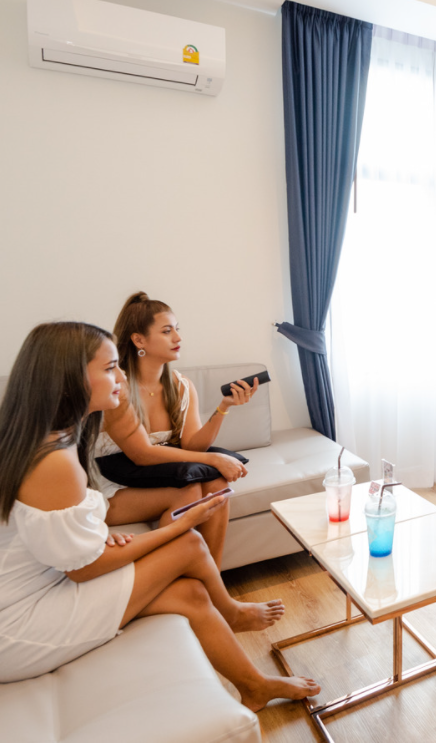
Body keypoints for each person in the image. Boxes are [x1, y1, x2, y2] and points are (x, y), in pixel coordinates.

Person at [0, 321, 320, 705]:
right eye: (108, 368)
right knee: (187, 543)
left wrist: (98, 537)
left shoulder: (50, 437)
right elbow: (83, 568)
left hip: (40, 583)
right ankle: (232, 613)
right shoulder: (53, 460)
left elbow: (48, 535)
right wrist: (180, 524)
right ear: (67, 380)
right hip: (18, 624)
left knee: (188, 593)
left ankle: (253, 686)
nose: (120, 376)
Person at [95, 293, 257, 567]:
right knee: (189, 491)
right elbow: (142, 455)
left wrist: (224, 407)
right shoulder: (117, 388)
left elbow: (193, 447)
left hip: (153, 474)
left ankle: (211, 579)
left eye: (177, 329)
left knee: (218, 486)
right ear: (139, 340)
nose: (178, 338)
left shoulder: (181, 385)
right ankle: (170, 576)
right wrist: (215, 459)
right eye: (167, 331)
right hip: (109, 482)